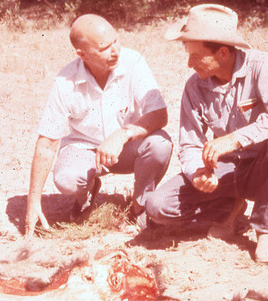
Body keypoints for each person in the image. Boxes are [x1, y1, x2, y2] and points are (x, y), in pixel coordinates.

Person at [146, 4, 268, 263]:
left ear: (222, 53)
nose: (189, 63)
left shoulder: (261, 66)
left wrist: (235, 138)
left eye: (196, 56)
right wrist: (198, 174)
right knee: (157, 206)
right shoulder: (194, 87)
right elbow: (190, 145)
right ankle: (228, 208)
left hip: (260, 170)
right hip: (225, 172)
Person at [24, 14, 172, 236]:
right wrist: (33, 201)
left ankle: (140, 206)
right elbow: (47, 142)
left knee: (160, 143)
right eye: (104, 48)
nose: (115, 51)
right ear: (82, 55)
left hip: (125, 147)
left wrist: (121, 136)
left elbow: (159, 114)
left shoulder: (134, 62)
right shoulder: (65, 81)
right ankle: (86, 194)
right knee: (66, 179)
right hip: (85, 151)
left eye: (116, 41)